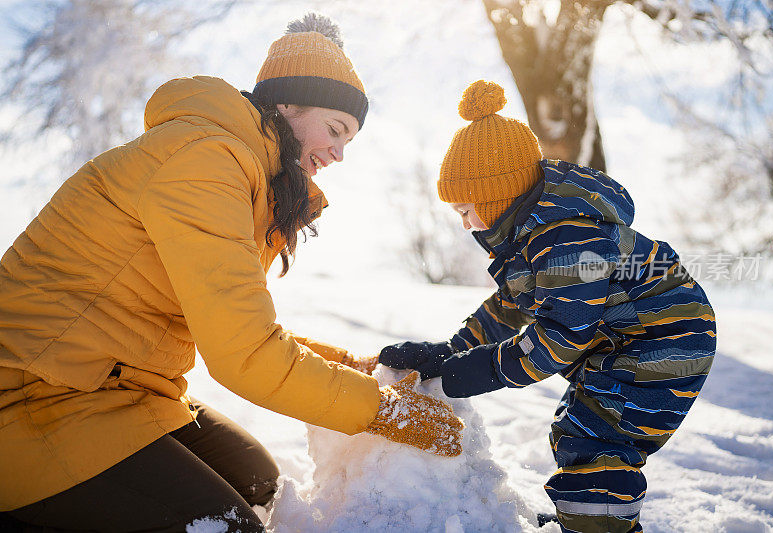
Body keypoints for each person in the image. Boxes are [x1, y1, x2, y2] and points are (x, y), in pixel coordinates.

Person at [0, 14, 462, 532]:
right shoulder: (204, 162)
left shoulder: (243, 173)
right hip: (33, 394)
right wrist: (385, 411)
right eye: (335, 130)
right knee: (225, 527)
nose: (337, 154)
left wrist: (355, 365)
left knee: (261, 487)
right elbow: (245, 354)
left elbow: (239, 323)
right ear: (287, 105)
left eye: (347, 141)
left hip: (120, 389)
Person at [374, 80, 717, 533]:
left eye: (465, 210)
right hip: (629, 338)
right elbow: (508, 308)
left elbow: (558, 338)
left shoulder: (565, 240)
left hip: (664, 339)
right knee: (579, 427)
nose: (464, 225)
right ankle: (587, 519)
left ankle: (598, 526)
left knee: (595, 436)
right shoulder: (532, 238)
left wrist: (469, 372)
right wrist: (449, 352)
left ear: (498, 197)